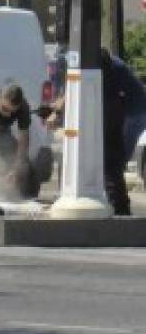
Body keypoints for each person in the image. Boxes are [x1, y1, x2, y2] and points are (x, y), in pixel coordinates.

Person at [41, 48, 134, 216]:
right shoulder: (110, 76)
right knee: (112, 167)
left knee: (75, 157)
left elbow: (73, 86)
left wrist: (58, 113)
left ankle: (76, 198)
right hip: (116, 113)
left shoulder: (89, 77)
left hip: (101, 116)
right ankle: (121, 210)